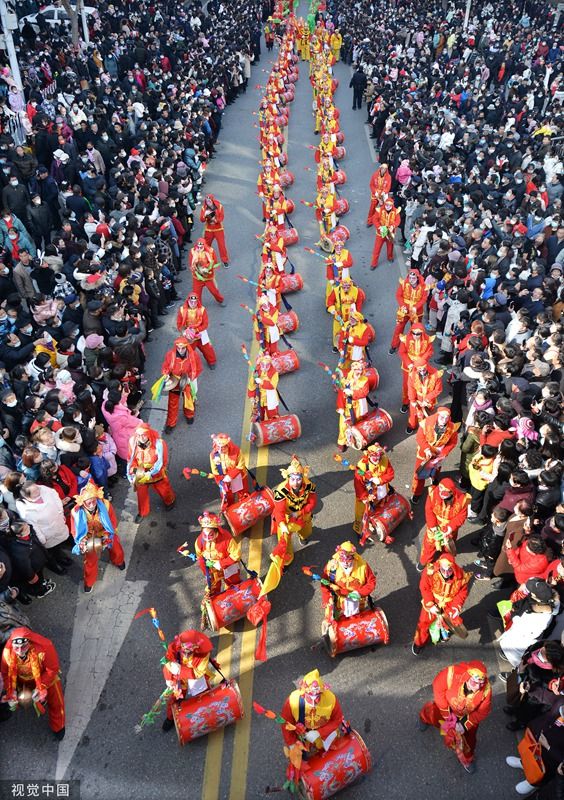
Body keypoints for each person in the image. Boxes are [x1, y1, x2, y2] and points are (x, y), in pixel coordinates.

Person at [419, 660, 492, 773]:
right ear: (467, 677)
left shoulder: (486, 690)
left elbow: (483, 711)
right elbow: (438, 689)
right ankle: (424, 718)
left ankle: (467, 759)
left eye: (481, 683)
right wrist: (448, 717)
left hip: (468, 717)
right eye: (474, 683)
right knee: (433, 716)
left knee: (469, 740)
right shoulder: (451, 674)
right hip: (447, 709)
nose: (477, 687)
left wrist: (464, 725)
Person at [1, 627, 66, 739]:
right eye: (17, 648)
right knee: (10, 699)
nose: (20, 651)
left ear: (29, 642)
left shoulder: (45, 647)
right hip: (20, 678)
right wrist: (11, 689)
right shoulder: (7, 652)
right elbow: (5, 672)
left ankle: (58, 727)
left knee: (56, 700)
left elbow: (52, 669)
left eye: (24, 646)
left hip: (43, 678)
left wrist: (41, 686)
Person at [70, 481, 125, 593]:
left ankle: (118, 561)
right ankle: (89, 582)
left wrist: (107, 536)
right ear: (82, 502)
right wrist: (82, 543)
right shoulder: (75, 512)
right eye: (88, 502)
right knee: (90, 560)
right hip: (90, 538)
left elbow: (112, 522)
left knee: (116, 548)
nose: (91, 505)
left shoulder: (106, 504)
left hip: (105, 532)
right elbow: (75, 531)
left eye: (93, 501)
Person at [161, 630, 220, 732]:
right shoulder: (174, 647)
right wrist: (169, 679)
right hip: (179, 678)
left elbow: (198, 672)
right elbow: (167, 662)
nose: (184, 651)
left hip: (195, 677)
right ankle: (171, 718)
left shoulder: (204, 654)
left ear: (195, 648)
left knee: (204, 694)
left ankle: (209, 711)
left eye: (188, 650)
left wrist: (181, 670)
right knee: (174, 699)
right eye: (183, 649)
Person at [412, 553, 471, 654]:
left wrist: (456, 607)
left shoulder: (462, 577)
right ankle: (419, 642)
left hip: (449, 604)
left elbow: (462, 593)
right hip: (433, 601)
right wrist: (430, 603)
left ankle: (443, 633)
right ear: (439, 566)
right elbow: (424, 587)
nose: (446, 573)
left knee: (447, 623)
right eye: (443, 570)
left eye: (449, 570)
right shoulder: (430, 571)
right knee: (424, 622)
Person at [280, 669, 344, 755]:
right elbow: (286, 724)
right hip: (303, 734)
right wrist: (291, 743)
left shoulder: (331, 699)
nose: (314, 701)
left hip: (325, 734)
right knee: (301, 756)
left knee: (329, 755)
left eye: (317, 696)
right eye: (310, 696)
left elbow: (337, 719)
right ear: (303, 692)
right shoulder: (292, 701)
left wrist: (319, 732)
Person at [272, 456, 317, 566]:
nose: (296, 482)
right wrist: (282, 524)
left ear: (302, 477)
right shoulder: (281, 490)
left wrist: (299, 513)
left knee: (307, 531)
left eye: (298, 479)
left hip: (303, 514)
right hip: (286, 518)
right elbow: (279, 511)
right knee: (285, 541)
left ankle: (303, 537)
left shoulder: (309, 485)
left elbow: (312, 502)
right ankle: (287, 560)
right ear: (288, 478)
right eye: (293, 479)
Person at [127, 423, 176, 522]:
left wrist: (152, 472)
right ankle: (143, 512)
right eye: (139, 435)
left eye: (144, 434)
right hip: (140, 473)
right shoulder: (132, 442)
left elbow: (163, 460)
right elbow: (131, 459)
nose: (141, 437)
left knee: (164, 489)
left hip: (156, 473)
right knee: (141, 495)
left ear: (148, 433)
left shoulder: (159, 443)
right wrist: (134, 472)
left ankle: (170, 501)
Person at [411, 407, 460, 504]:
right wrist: (427, 449)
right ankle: (417, 492)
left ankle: (434, 479)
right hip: (424, 453)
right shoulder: (426, 423)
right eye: (442, 417)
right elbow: (419, 437)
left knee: (436, 469)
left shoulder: (452, 427)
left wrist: (444, 453)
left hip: (439, 454)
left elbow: (452, 442)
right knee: (419, 473)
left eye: (447, 417)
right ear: (437, 415)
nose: (444, 419)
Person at [417, 479, 469, 569]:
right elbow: (429, 511)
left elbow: (461, 517)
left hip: (450, 529)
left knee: (447, 547)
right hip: (434, 526)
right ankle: (425, 561)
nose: (441, 495)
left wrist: (450, 527)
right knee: (429, 545)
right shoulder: (433, 494)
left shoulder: (462, 500)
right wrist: (432, 526)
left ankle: (445, 559)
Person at [320, 541, 376, 624]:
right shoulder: (331, 566)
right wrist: (327, 599)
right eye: (342, 560)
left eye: (348, 560)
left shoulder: (363, 566)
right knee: (332, 621)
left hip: (357, 600)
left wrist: (359, 593)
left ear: (354, 557)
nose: (345, 563)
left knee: (356, 620)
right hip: (337, 599)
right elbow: (324, 584)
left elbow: (371, 582)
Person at [194, 511, 242, 596]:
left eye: (211, 535)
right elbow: (200, 558)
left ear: (216, 532)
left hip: (228, 568)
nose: (208, 539)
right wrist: (206, 572)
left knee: (233, 583)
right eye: (205, 536)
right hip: (212, 570)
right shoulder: (199, 542)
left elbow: (236, 554)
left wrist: (222, 564)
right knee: (214, 588)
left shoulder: (227, 539)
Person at [160, 336, 203, 431]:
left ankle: (189, 415)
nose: (180, 350)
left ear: (186, 346)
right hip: (174, 383)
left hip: (187, 382)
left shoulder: (194, 356)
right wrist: (166, 374)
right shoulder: (170, 355)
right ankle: (171, 423)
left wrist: (190, 378)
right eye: (178, 347)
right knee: (172, 403)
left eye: (183, 348)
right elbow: (165, 367)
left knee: (189, 400)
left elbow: (198, 368)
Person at [353, 442, 395, 536]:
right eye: (374, 458)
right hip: (366, 495)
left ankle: (374, 523)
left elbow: (390, 474)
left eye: (379, 457)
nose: (377, 460)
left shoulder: (384, 460)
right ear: (368, 456)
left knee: (379, 509)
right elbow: (358, 485)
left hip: (381, 492)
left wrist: (380, 480)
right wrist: (365, 498)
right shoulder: (361, 466)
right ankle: (359, 532)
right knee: (361, 514)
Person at [389, 270, 429, 353]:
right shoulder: (404, 284)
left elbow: (424, 299)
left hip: (416, 313)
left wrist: (416, 307)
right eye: (410, 277)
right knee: (398, 328)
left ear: (417, 278)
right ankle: (394, 345)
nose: (411, 279)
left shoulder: (423, 287)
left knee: (415, 330)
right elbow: (398, 295)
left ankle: (414, 347)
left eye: (413, 278)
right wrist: (403, 305)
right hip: (404, 311)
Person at [209, 432, 250, 509]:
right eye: (218, 447)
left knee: (242, 491)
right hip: (224, 479)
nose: (221, 450)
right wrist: (221, 482)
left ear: (228, 446)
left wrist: (231, 476)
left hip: (238, 476)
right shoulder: (213, 455)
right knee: (226, 495)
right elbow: (215, 471)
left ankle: (245, 503)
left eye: (223, 447)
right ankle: (229, 507)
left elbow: (241, 465)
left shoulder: (237, 451)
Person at [176, 293, 216, 369]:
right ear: (188, 301)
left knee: (208, 349)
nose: (193, 304)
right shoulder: (182, 310)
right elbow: (179, 324)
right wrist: (184, 332)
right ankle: (186, 365)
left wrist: (196, 330)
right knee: (186, 351)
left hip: (200, 334)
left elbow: (205, 324)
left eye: (195, 302)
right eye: (191, 302)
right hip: (188, 336)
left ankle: (212, 362)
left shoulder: (202, 309)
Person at [406, 361, 443, 434]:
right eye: (420, 370)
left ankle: (426, 427)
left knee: (428, 414)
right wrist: (413, 400)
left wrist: (426, 400)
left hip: (429, 399)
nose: (422, 372)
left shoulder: (436, 375)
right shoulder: (412, 375)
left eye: (424, 369)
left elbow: (438, 390)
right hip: (417, 397)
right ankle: (412, 426)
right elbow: (411, 388)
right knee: (414, 413)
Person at [189, 238, 225, 305]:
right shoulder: (193, 252)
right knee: (196, 293)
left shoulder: (210, 251)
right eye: (198, 247)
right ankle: (199, 306)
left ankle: (220, 300)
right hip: (197, 278)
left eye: (201, 247)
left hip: (208, 277)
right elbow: (191, 264)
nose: (199, 249)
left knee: (214, 291)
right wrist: (197, 269)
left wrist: (205, 268)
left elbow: (214, 263)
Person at [369, 197, 400, 270]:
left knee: (390, 247)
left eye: (390, 205)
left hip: (390, 233)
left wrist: (393, 226)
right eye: (386, 205)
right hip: (380, 233)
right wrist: (379, 227)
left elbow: (398, 220)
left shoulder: (396, 211)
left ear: (392, 205)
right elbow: (375, 219)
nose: (388, 207)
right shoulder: (379, 210)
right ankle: (374, 263)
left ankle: (390, 257)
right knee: (377, 249)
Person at [200, 194, 229, 267]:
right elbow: (202, 219)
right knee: (206, 245)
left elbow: (221, 217)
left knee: (222, 246)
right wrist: (206, 216)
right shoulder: (204, 208)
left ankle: (225, 260)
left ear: (212, 200)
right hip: (209, 229)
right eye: (207, 201)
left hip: (218, 229)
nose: (208, 202)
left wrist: (215, 220)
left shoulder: (219, 206)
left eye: (209, 200)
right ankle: (206, 259)